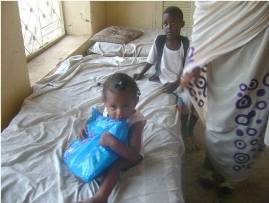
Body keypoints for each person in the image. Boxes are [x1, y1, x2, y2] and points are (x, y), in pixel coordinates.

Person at [180, 1, 269, 194]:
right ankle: (210, 164)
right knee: (216, 121)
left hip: (258, 49)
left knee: (248, 120)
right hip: (220, 58)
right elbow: (205, 16)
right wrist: (196, 61)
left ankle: (230, 176)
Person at [133, 6, 198, 150]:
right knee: (178, 109)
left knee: (194, 103)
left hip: (181, 81)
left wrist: (177, 83)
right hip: (163, 79)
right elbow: (151, 60)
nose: (169, 27)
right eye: (165, 24)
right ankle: (182, 130)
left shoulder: (186, 44)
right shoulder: (159, 40)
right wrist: (141, 73)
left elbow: (189, 68)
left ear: (182, 24)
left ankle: (189, 131)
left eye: (173, 23)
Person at [80, 73, 146, 203]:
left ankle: (101, 197)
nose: (119, 113)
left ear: (136, 102)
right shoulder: (104, 110)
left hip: (127, 153)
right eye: (113, 107)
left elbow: (133, 155)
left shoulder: (136, 121)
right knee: (90, 157)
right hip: (108, 147)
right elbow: (94, 122)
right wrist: (84, 128)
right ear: (105, 104)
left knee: (114, 165)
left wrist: (111, 142)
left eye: (126, 106)